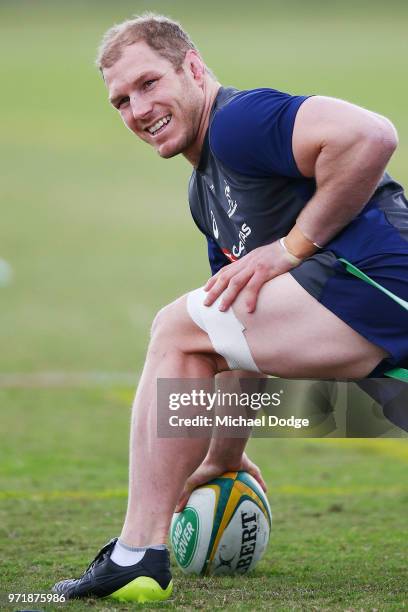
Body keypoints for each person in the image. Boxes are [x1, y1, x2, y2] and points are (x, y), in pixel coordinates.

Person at [52, 12, 408, 603]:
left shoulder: (238, 122)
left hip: (383, 293)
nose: (137, 110)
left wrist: (291, 249)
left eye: (149, 84)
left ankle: (138, 553)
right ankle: (140, 550)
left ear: (192, 68)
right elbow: (234, 332)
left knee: (175, 328)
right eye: (120, 101)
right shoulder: (204, 194)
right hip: (370, 337)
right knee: (191, 334)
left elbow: (371, 135)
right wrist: (225, 456)